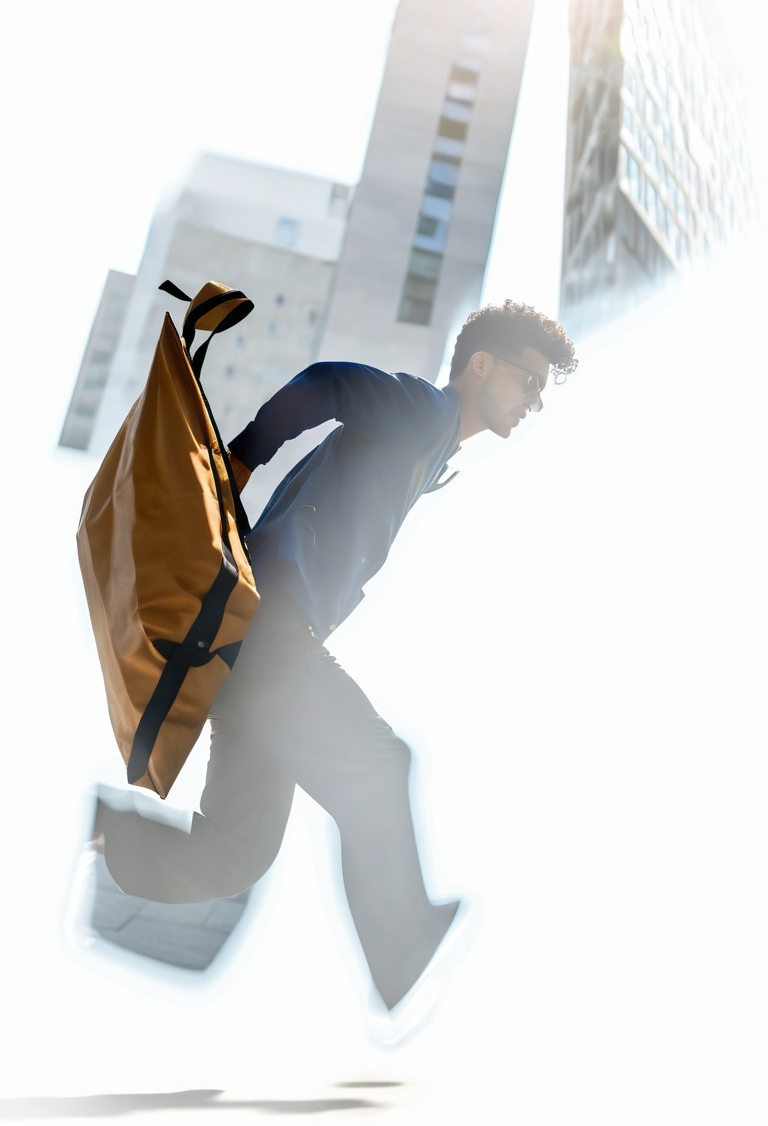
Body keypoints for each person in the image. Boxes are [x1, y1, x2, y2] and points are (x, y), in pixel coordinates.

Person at [90, 299, 577, 1031]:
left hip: (258, 646)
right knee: (380, 765)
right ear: (481, 366)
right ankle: (402, 951)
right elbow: (326, 382)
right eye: (527, 381)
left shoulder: (429, 453)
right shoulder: (421, 411)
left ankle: (98, 826)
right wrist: (245, 456)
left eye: (542, 391)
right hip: (270, 634)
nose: (534, 401)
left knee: (237, 852)